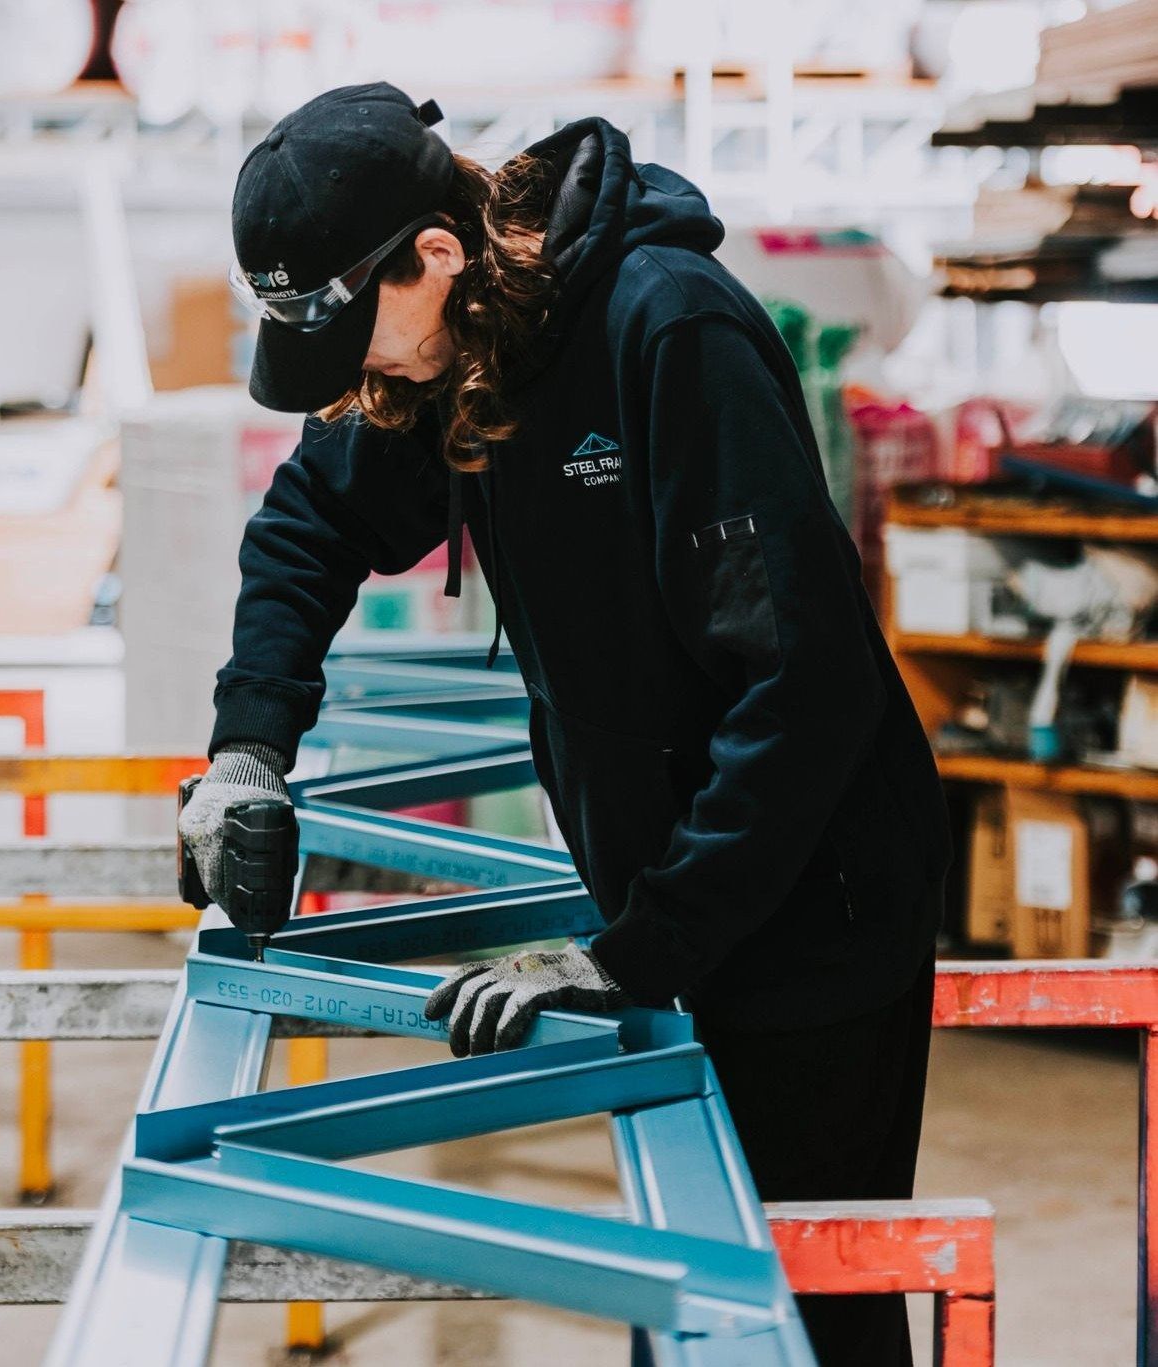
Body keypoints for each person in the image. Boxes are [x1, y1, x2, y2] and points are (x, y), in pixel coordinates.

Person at [177, 80, 953, 1365]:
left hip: (814, 902)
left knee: (793, 1305)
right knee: (689, 1270)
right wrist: (248, 751)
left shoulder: (668, 330)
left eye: (360, 338)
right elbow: (312, 522)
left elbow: (801, 686)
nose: (363, 379)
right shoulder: (461, 342)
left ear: (435, 255)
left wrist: (638, 947)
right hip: (670, 896)